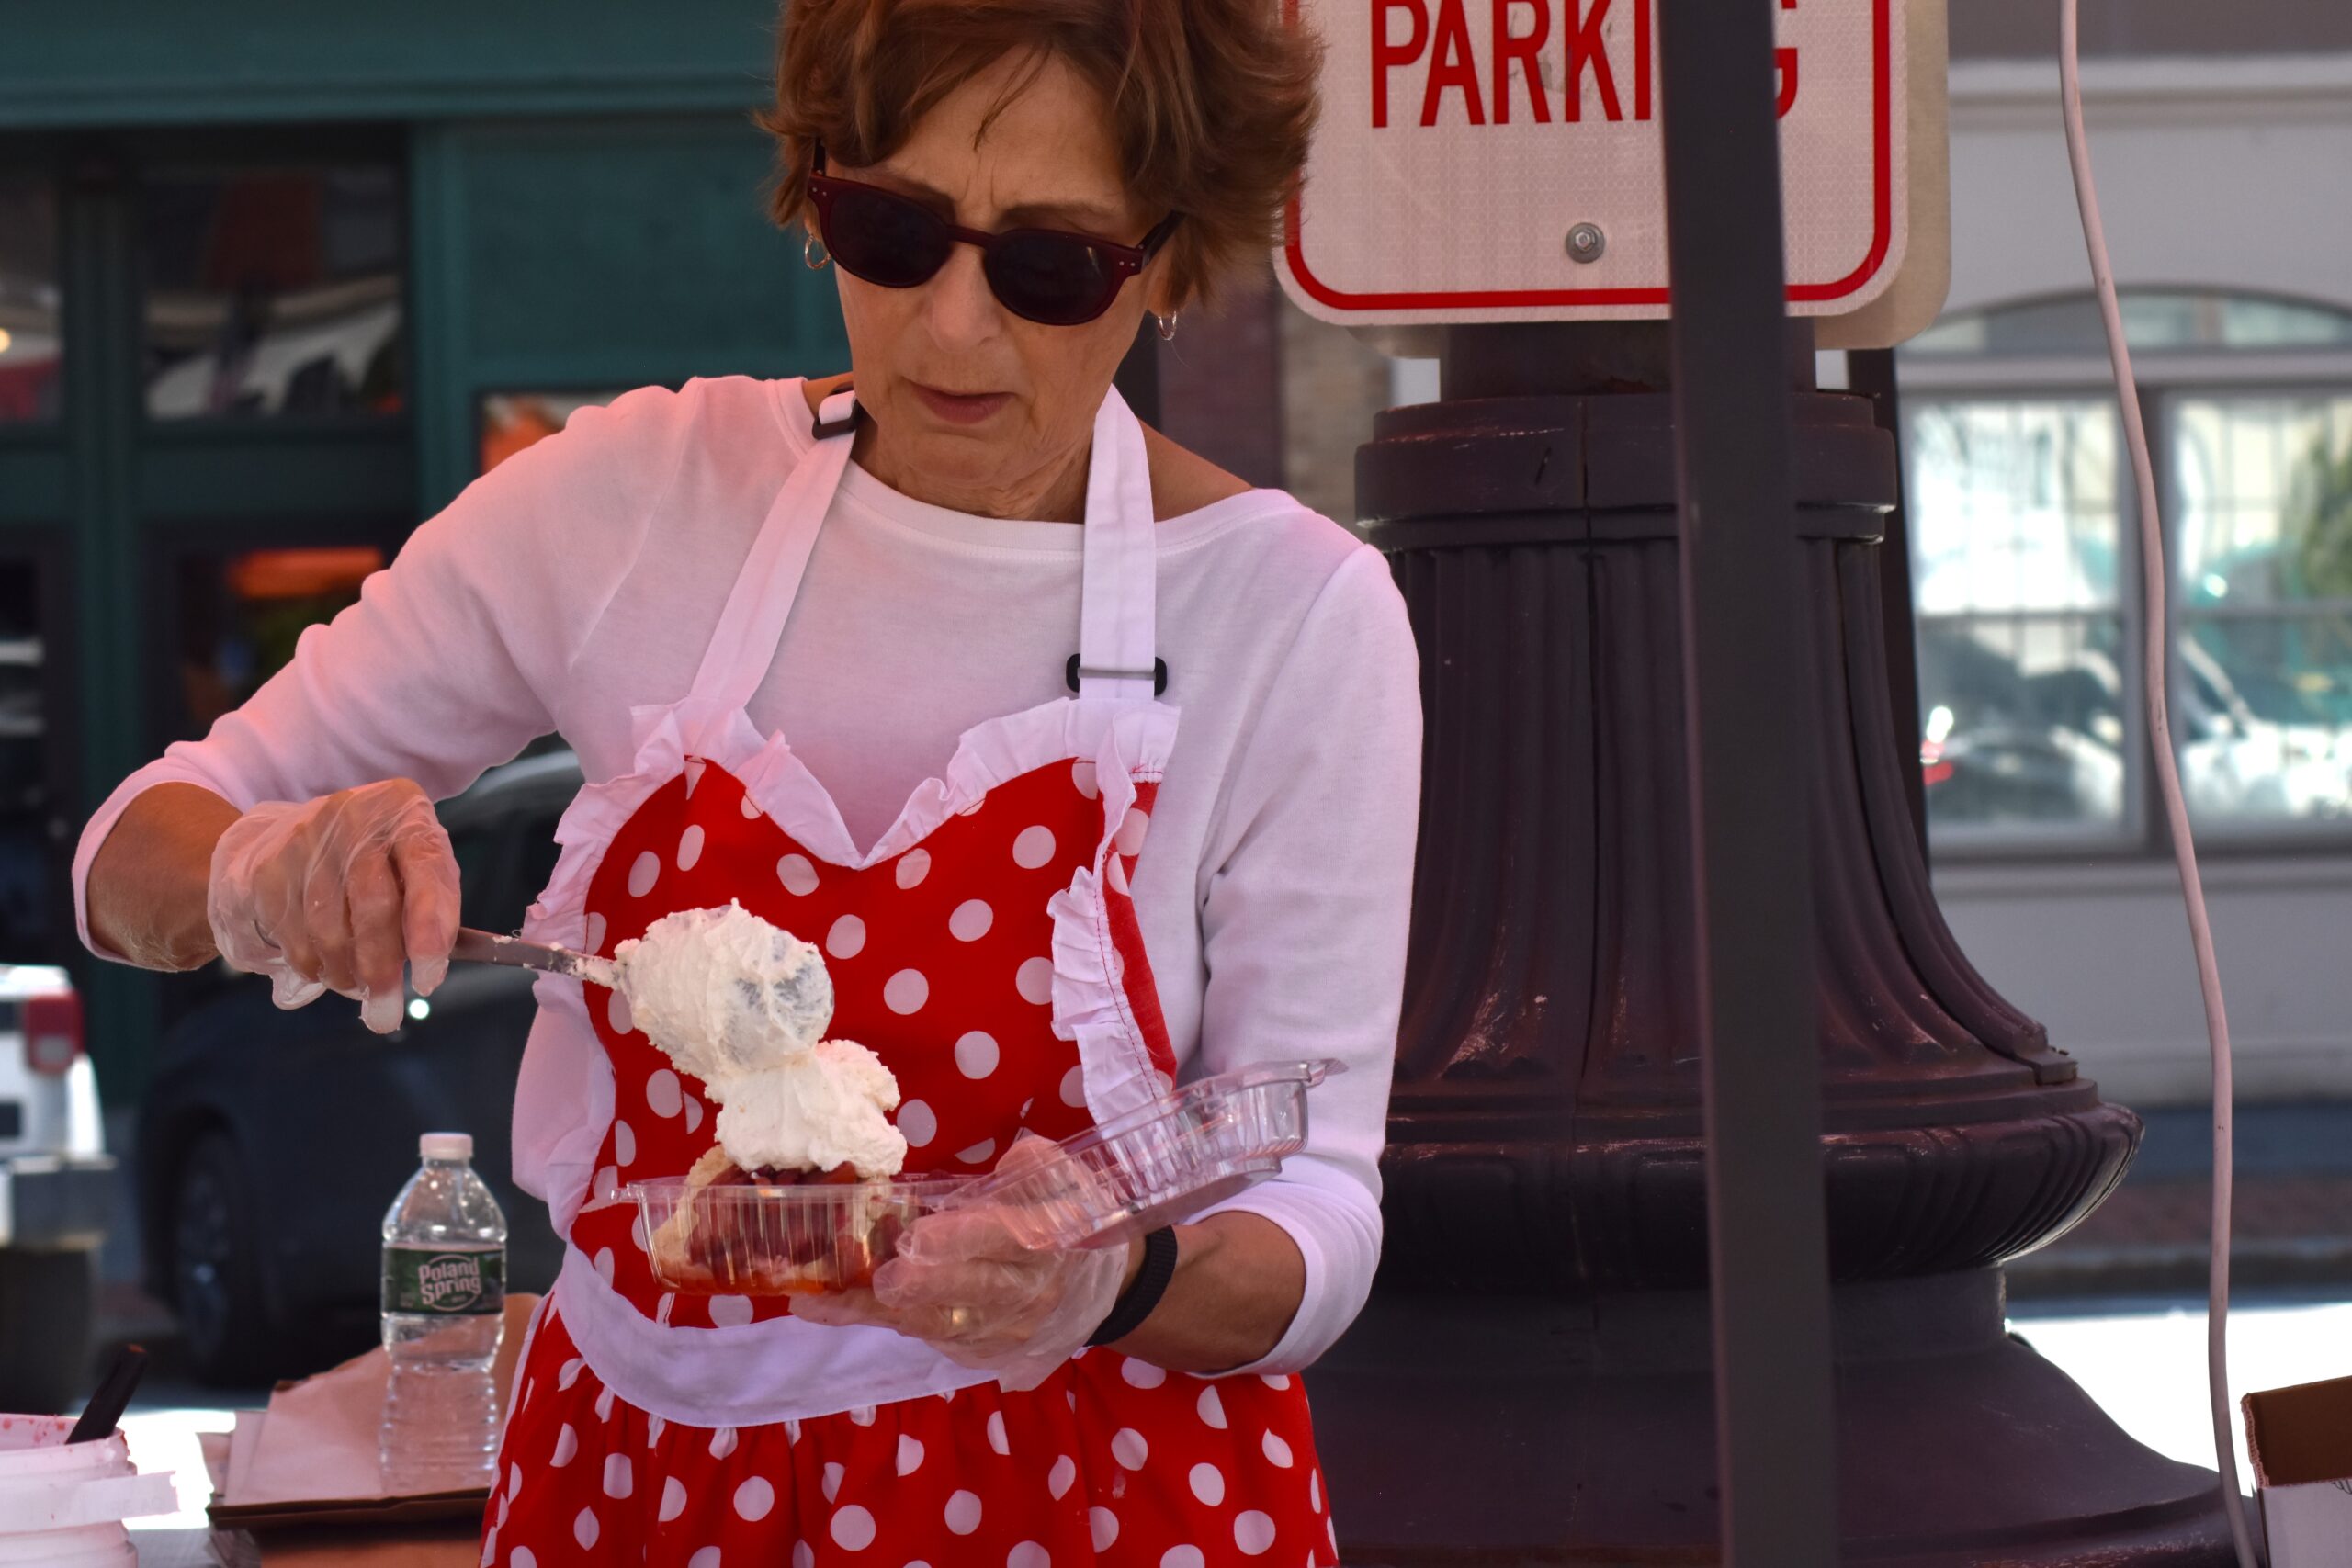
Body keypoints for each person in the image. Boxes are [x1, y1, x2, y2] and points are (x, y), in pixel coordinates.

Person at [75, 1, 1420, 1562]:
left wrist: (1112, 1282)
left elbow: (1318, 1216)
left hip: (1101, 1494)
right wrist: (260, 873)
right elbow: (127, 855)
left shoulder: (1289, 617)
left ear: (1171, 262)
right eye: (891, 233)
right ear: (817, 193)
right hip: (640, 1490)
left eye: (1049, 265)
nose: (952, 328)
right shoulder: (635, 505)